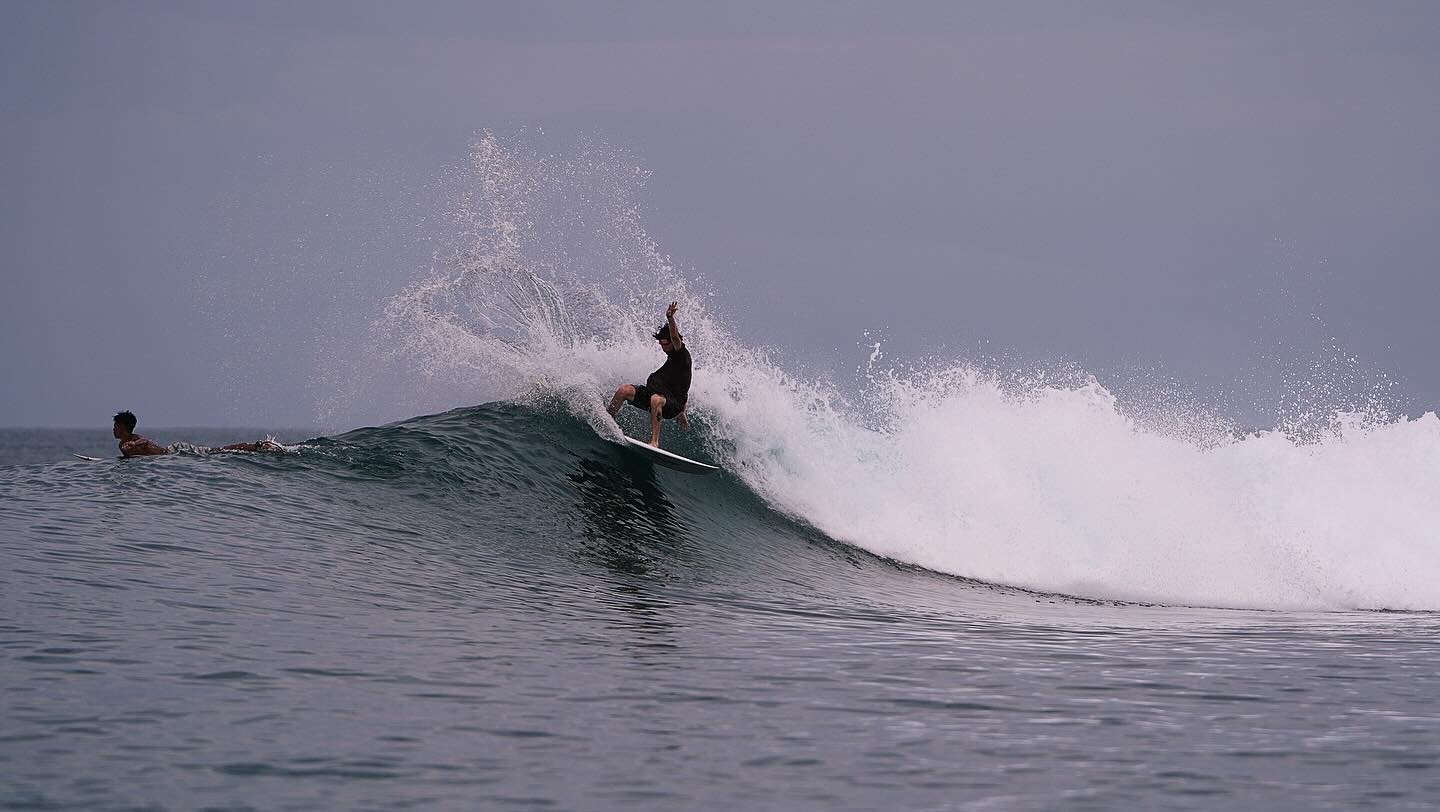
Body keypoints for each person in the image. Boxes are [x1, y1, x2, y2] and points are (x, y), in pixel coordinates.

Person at [608, 301, 692, 447]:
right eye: (660, 344)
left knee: (655, 400)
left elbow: (675, 337)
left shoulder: (681, 355)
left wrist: (670, 318)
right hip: (657, 395)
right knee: (624, 390)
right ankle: (607, 420)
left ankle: (654, 442)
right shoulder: (671, 360)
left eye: (665, 344)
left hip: (671, 404)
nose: (662, 347)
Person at [111, 411, 282, 457]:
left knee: (218, 451)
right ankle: (257, 447)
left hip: (176, 451)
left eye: (115, 426)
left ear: (122, 426)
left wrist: (134, 445)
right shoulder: (123, 444)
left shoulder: (132, 440)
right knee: (217, 451)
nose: (113, 429)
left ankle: (257, 446)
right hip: (174, 453)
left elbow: (144, 441)